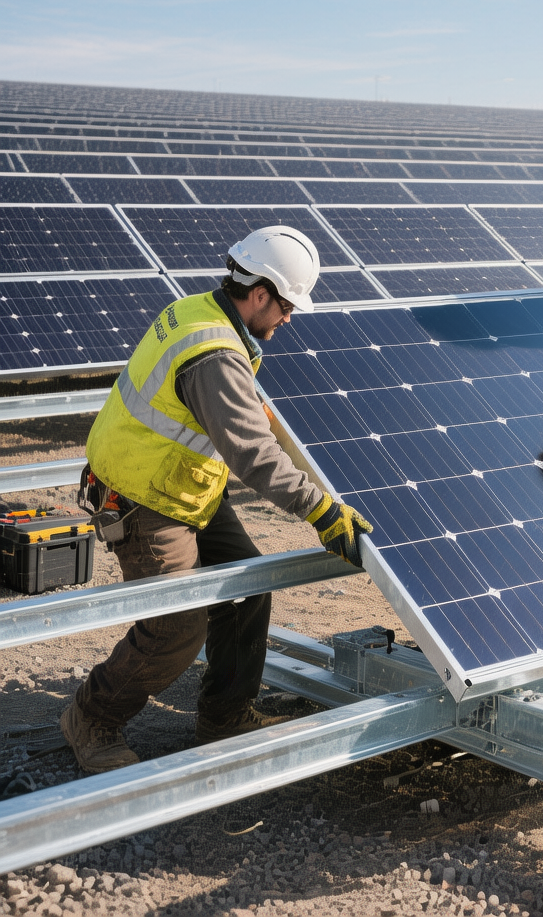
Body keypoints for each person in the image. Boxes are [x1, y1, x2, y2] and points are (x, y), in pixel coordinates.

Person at [62, 226, 373, 774]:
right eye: (286, 307)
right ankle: (92, 717)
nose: (289, 319)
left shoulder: (201, 311)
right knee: (178, 626)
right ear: (260, 294)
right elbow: (252, 454)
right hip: (143, 496)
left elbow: (239, 422)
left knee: (248, 585)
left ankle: (224, 716)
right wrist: (321, 510)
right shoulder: (215, 355)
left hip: (184, 484)